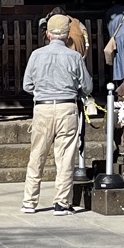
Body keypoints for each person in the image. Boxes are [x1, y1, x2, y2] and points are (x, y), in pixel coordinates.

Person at [20, 12, 91, 213]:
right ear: (68, 35)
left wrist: (42, 90)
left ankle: (29, 201)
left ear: (48, 34)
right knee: (65, 156)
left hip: (42, 107)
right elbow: (87, 86)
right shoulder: (75, 57)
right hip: (66, 107)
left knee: (37, 155)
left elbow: (27, 85)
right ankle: (61, 202)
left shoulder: (36, 55)